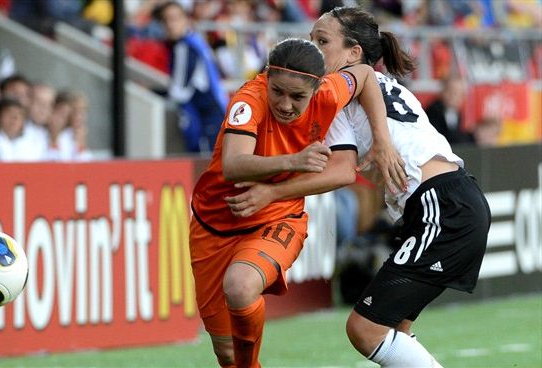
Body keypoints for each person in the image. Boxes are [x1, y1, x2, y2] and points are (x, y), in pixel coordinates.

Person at [224, 7, 491, 367]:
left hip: (438, 207)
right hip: (449, 200)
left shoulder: (336, 97)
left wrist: (270, 192)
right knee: (395, 328)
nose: (311, 47)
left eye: (322, 41)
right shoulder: (389, 87)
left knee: (363, 329)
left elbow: (341, 173)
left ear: (354, 54)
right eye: (311, 38)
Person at [189, 36, 406, 368]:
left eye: (297, 96)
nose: (285, 104)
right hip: (212, 226)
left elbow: (363, 74)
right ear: (266, 79)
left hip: (275, 217)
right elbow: (233, 165)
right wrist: (295, 161)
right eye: (278, 91)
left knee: (240, 285)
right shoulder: (248, 99)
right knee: (227, 352)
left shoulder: (331, 90)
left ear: (318, 88)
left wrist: (382, 139)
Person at [155, 1, 229, 154]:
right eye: (166, 20)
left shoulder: (185, 46)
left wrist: (153, 92)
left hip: (209, 117)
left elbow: (178, 92)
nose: (170, 25)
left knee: (209, 168)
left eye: (174, 19)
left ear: (186, 20)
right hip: (216, 113)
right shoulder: (194, 41)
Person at [424, 75, 475, 145]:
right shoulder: (433, 112)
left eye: (459, 93)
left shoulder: (458, 113)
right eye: (451, 91)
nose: (453, 96)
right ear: (443, 91)